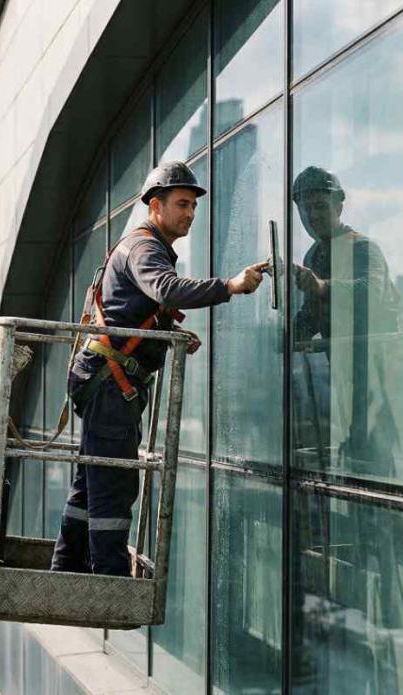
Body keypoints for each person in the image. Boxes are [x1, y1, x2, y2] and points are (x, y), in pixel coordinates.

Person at [50, 160, 268, 576]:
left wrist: (169, 334)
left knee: (93, 480)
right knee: (114, 484)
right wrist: (231, 286)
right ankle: (109, 581)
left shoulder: (145, 247)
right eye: (182, 204)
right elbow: (165, 288)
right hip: (110, 381)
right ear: (155, 205)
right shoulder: (144, 248)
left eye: (193, 207)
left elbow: (136, 308)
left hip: (108, 378)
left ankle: (67, 567)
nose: (189, 213)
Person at [291, 165, 402, 470]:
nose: (311, 216)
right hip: (343, 366)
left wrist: (321, 286)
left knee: (375, 449)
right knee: (355, 447)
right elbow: (314, 311)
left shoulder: (362, 248)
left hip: (377, 368)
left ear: (338, 206)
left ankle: (384, 511)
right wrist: (292, 332)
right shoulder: (315, 256)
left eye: (319, 206)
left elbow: (372, 292)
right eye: (305, 209)